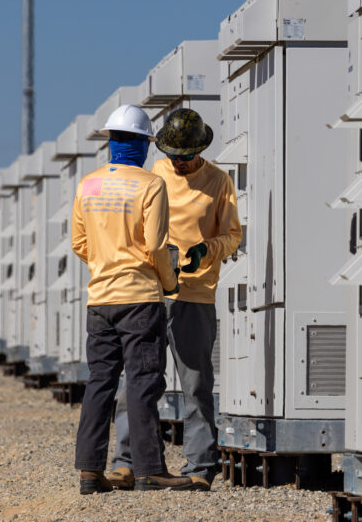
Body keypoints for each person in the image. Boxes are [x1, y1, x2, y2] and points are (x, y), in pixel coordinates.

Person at [108, 107, 241, 491]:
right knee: (137, 381)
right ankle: (126, 463)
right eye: (172, 155)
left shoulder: (219, 182)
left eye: (185, 156)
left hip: (195, 294)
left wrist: (207, 249)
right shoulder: (155, 175)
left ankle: (200, 466)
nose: (178, 163)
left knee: (195, 383)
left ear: (200, 150)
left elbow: (233, 235)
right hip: (150, 291)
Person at [71, 104, 198, 493]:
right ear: (145, 144)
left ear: (110, 142)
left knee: (99, 383)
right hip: (140, 298)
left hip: (100, 300)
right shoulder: (149, 185)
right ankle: (149, 471)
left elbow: (79, 243)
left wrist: (105, 264)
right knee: (143, 382)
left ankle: (90, 472)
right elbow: (157, 245)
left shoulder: (87, 184)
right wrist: (170, 283)